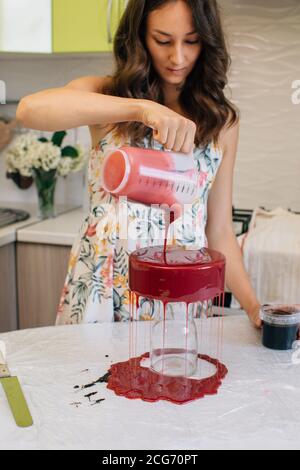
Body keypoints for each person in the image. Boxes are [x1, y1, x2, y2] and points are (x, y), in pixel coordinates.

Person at [17, 0, 262, 327]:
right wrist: (140, 108)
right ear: (140, 38)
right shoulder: (107, 96)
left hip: (178, 297)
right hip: (101, 292)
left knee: (175, 374)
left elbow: (218, 231)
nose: (178, 57)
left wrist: (254, 307)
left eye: (191, 41)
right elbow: (30, 110)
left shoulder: (222, 122)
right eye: (163, 40)